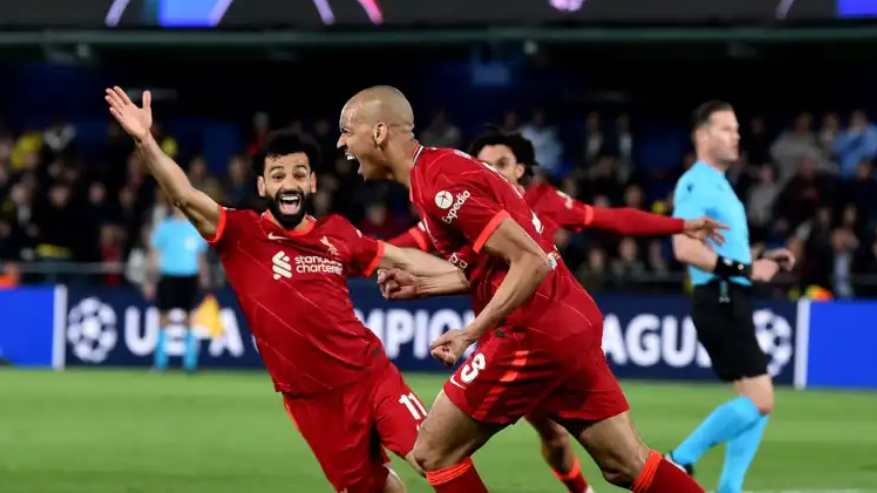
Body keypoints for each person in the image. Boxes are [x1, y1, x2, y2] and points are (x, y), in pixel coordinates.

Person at [338, 85, 707, 493]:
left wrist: (470, 333)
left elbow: (530, 261)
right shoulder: (439, 170)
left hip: (532, 331)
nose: (341, 143)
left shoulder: (439, 185)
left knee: (434, 452)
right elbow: (498, 265)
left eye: (347, 131)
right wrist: (425, 284)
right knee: (626, 464)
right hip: (568, 318)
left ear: (379, 132)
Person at [105, 86, 457, 493]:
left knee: (431, 456)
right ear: (262, 186)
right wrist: (145, 141)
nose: (289, 183)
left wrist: (468, 277)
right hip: (311, 402)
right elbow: (184, 196)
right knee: (372, 488)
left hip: (370, 377)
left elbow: (402, 259)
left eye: (298, 174)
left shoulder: (336, 233)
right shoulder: (242, 234)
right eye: (277, 176)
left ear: (312, 183)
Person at [668, 101, 796, 493]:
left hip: (730, 296)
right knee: (761, 399)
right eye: (726, 128)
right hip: (719, 297)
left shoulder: (721, 184)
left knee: (752, 401)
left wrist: (762, 259)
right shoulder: (696, 183)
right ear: (702, 135)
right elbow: (684, 248)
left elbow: (729, 255)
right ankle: (678, 460)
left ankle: (729, 488)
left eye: (737, 129)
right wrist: (746, 270)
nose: (736, 136)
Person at [146, 204, 208, 372]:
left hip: (190, 276)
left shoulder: (196, 227)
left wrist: (204, 276)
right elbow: (154, 253)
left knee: (190, 318)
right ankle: (160, 362)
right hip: (168, 276)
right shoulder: (165, 227)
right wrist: (150, 278)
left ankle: (190, 363)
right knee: (164, 317)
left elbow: (200, 255)